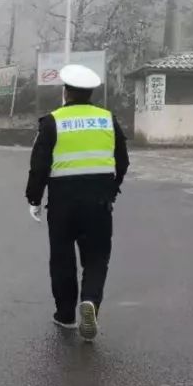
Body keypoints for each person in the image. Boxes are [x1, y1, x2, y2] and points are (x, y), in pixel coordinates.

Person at [26, 63, 130, 342]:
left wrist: (34, 199)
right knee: (97, 257)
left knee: (62, 258)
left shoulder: (52, 122)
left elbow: (39, 166)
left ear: (66, 93)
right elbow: (122, 161)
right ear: (91, 93)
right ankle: (91, 302)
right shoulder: (108, 120)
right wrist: (111, 189)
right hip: (98, 202)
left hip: (62, 203)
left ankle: (65, 314)